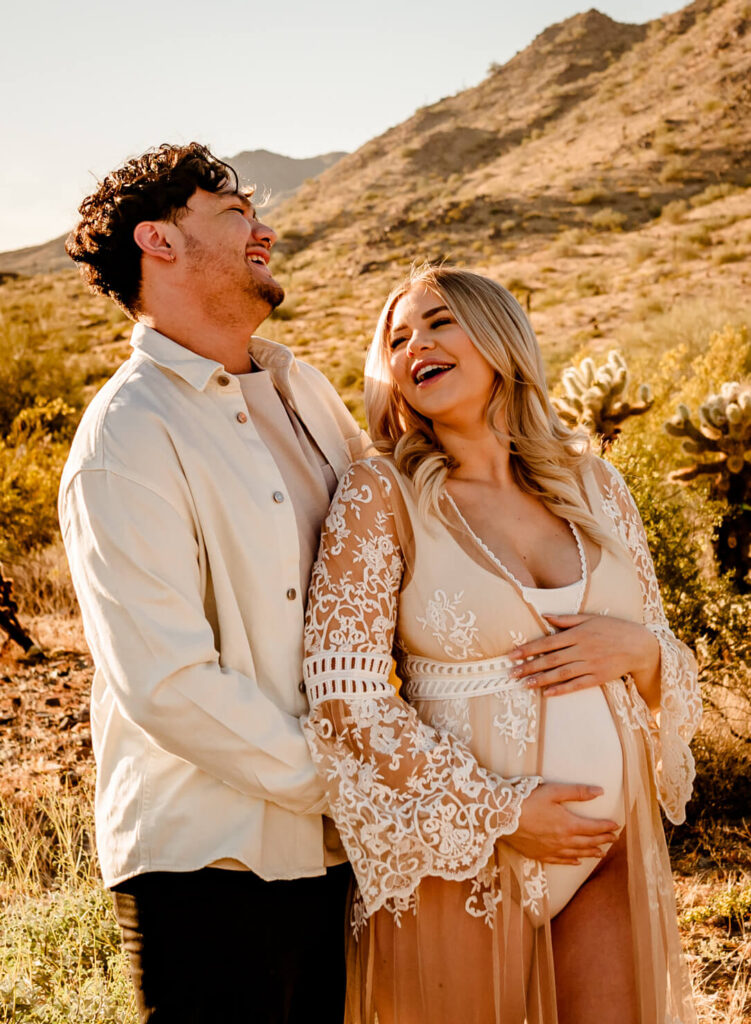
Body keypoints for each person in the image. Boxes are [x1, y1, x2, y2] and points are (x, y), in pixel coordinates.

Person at [301, 264, 700, 1023]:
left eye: (438, 321)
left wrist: (641, 654)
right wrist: (500, 811)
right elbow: (343, 698)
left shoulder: (596, 487)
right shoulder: (379, 495)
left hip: (605, 848)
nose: (415, 343)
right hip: (458, 852)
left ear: (498, 337)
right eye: (397, 337)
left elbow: (667, 655)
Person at [58, 142, 374, 1023]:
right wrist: (345, 781)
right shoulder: (126, 436)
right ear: (158, 241)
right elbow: (166, 682)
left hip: (337, 854)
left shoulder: (303, 389)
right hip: (207, 865)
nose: (263, 229)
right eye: (234, 213)